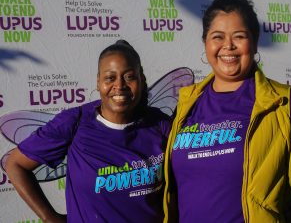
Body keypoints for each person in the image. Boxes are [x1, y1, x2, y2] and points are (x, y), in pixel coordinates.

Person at [163, 0, 291, 223]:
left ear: (255, 41)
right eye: (217, 37)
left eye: (239, 36)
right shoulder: (186, 104)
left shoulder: (283, 103)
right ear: (206, 43)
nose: (228, 45)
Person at [5, 40, 171, 223]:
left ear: (141, 79)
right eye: (110, 78)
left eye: (129, 76)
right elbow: (15, 164)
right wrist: (49, 217)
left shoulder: (159, 123)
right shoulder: (74, 122)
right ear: (98, 82)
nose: (120, 85)